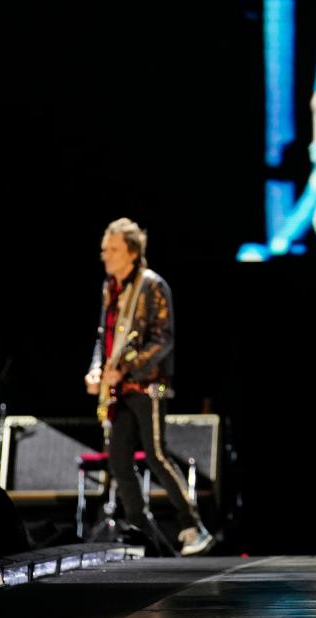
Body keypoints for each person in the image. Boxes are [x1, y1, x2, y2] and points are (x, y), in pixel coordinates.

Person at [84, 218, 214, 557]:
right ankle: (139, 528)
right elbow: (103, 337)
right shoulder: (109, 287)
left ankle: (192, 525)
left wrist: (126, 367)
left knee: (155, 454)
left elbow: (163, 340)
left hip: (146, 385)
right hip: (119, 389)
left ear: (130, 251)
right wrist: (96, 370)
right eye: (104, 249)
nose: (105, 255)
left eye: (111, 249)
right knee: (119, 460)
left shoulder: (152, 285)